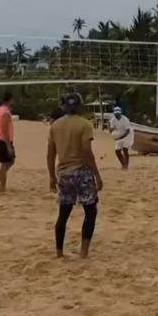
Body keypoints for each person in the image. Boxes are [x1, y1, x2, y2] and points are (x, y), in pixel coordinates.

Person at [47, 93, 103, 259]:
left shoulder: (55, 126)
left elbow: (50, 154)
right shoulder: (85, 124)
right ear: (80, 107)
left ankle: (59, 253)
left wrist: (51, 176)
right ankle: (83, 252)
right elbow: (87, 151)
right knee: (90, 212)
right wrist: (97, 174)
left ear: (64, 106)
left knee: (63, 213)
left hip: (64, 173)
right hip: (81, 172)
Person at [0, 91, 15, 192]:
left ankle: (1, 185)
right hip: (4, 139)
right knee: (7, 162)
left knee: (6, 163)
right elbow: (4, 129)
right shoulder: (5, 112)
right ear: (10, 100)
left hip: (0, 138)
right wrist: (8, 145)